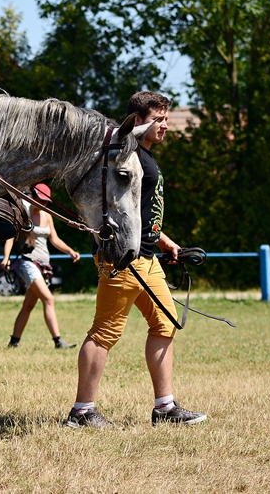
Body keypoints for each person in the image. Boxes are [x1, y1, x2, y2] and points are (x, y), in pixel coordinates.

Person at [66, 91, 207, 428]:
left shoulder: (146, 157)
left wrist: (166, 242)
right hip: (124, 260)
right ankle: (82, 411)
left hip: (148, 257)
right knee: (103, 333)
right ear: (139, 121)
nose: (165, 126)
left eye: (166, 119)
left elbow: (140, 214)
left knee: (165, 323)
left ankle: (165, 407)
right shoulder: (126, 157)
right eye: (159, 119)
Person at [1, 183, 81, 349]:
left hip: (44, 265)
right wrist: (6, 257)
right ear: (34, 197)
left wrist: (71, 251)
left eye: (45, 202)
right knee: (48, 299)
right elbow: (11, 236)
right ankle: (58, 341)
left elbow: (54, 240)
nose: (42, 204)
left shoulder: (47, 216)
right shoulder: (25, 214)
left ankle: (14, 342)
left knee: (28, 305)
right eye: (40, 200)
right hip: (28, 262)